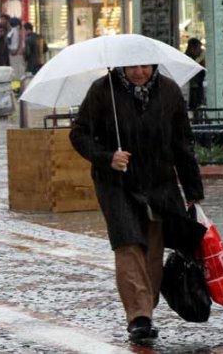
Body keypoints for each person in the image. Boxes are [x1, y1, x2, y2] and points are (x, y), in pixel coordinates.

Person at [70, 65, 204, 343]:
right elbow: (79, 133)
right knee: (127, 243)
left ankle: (145, 306)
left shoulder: (168, 91)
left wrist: (192, 189)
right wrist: (108, 156)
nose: (139, 72)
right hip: (116, 184)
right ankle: (139, 318)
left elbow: (182, 142)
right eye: (133, 66)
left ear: (154, 65)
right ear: (122, 65)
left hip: (158, 182)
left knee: (153, 248)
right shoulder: (102, 89)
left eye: (145, 66)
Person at [185, 38, 206, 115]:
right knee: (194, 107)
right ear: (192, 48)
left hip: (198, 85)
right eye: (198, 48)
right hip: (192, 87)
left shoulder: (200, 58)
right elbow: (192, 66)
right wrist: (200, 58)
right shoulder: (187, 57)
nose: (200, 50)